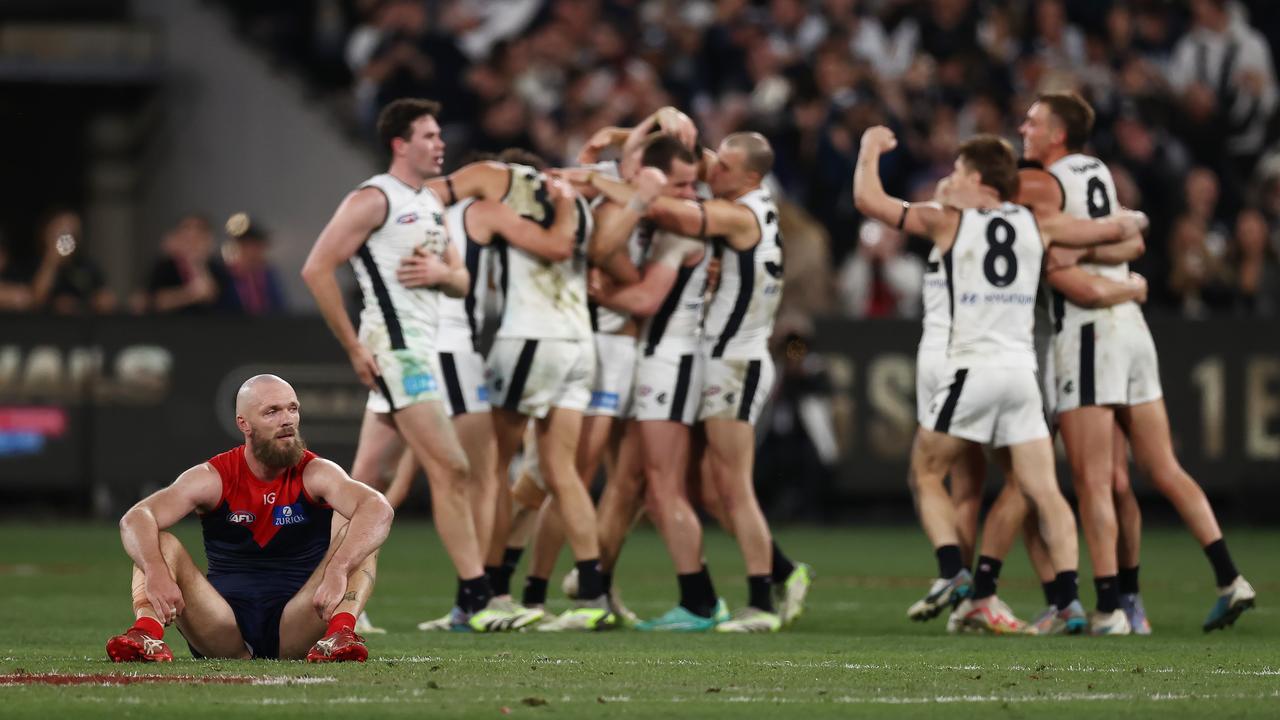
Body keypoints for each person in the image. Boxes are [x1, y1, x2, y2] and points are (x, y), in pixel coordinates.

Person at [854, 128, 1151, 635]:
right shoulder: (1040, 224)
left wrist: (869, 149)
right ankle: (1069, 602)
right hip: (1021, 377)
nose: (949, 180)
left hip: (970, 369)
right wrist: (1133, 223)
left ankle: (952, 573)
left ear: (976, 179)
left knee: (925, 475)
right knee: (1044, 491)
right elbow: (1112, 233)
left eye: (957, 173)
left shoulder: (947, 221)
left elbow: (870, 200)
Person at [1019, 91, 1256, 633]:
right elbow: (1132, 236)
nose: (1023, 129)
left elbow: (1055, 248)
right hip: (1132, 329)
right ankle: (1227, 576)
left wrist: (1086, 246)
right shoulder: (1097, 170)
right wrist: (1117, 236)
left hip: (1087, 327)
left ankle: (1109, 608)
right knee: (1159, 469)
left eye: (1033, 122)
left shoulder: (1045, 181)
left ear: (1058, 134)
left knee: (1093, 480)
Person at [301, 98, 531, 633]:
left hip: (419, 348)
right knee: (453, 468)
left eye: (439, 134)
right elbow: (317, 268)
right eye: (428, 136)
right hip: (396, 350)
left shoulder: (427, 201)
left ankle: (331, 597)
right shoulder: (373, 197)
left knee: (364, 481)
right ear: (399, 144)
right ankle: (478, 596)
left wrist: (438, 273)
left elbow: (462, 279)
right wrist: (356, 348)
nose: (440, 143)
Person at [583, 132, 813, 633]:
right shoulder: (745, 196)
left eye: (724, 167)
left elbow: (675, 214)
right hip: (719, 359)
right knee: (709, 488)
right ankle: (780, 572)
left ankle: (759, 602)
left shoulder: (741, 214)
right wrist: (631, 138)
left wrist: (608, 185)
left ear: (750, 176)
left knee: (730, 487)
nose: (713, 172)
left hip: (735, 360)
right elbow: (694, 164)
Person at [430, 151, 616, 631]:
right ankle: (594, 594)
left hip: (532, 339)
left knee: (489, 472)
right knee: (561, 471)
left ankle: (486, 595)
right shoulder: (578, 203)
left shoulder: (508, 201)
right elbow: (599, 253)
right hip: (581, 344)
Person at [105, 374, 393, 663]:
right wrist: (156, 571)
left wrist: (338, 569)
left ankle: (340, 634)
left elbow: (378, 508)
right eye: (272, 411)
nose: (287, 420)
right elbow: (136, 517)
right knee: (158, 543)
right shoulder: (215, 476)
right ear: (244, 424)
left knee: (360, 534)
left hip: (297, 624)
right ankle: (145, 633)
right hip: (222, 627)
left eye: (293, 409)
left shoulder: (315, 471)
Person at [589, 135, 729, 631]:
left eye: (695, 183)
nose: (692, 193)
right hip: (658, 360)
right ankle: (597, 587)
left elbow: (647, 300)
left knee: (664, 489)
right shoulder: (661, 225)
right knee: (635, 485)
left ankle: (701, 601)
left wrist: (601, 296)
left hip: (671, 361)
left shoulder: (682, 232)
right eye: (681, 183)